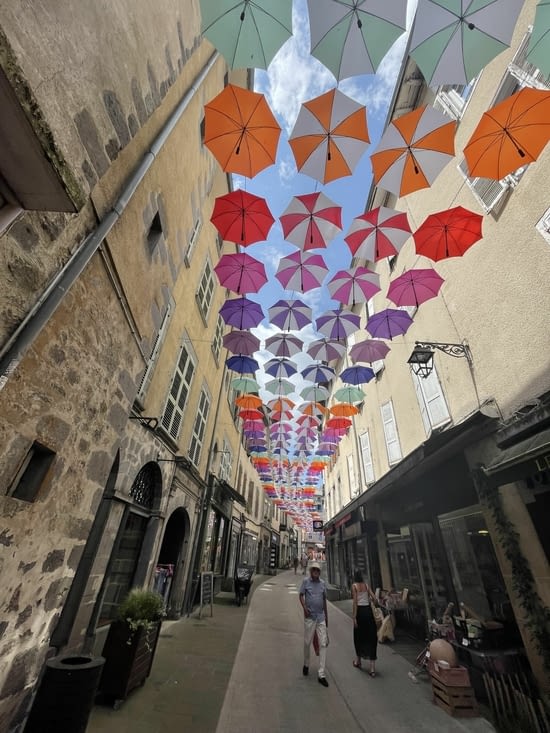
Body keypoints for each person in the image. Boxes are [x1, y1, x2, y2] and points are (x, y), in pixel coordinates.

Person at [299, 561, 329, 687]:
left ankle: (321, 674)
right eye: (314, 570)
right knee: (307, 642)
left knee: (323, 643)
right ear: (311, 571)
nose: (316, 572)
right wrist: (304, 608)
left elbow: (324, 600)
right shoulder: (306, 582)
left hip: (321, 617)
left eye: (318, 570)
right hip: (310, 617)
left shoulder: (322, 584)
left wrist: (327, 617)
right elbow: (300, 595)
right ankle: (306, 663)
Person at [351, 569, 379, 677]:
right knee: (372, 637)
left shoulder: (354, 586)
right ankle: (372, 668)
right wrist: (373, 602)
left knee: (358, 636)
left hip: (360, 613)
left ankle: (358, 661)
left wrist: (354, 617)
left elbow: (355, 602)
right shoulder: (366, 586)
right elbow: (375, 599)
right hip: (368, 612)